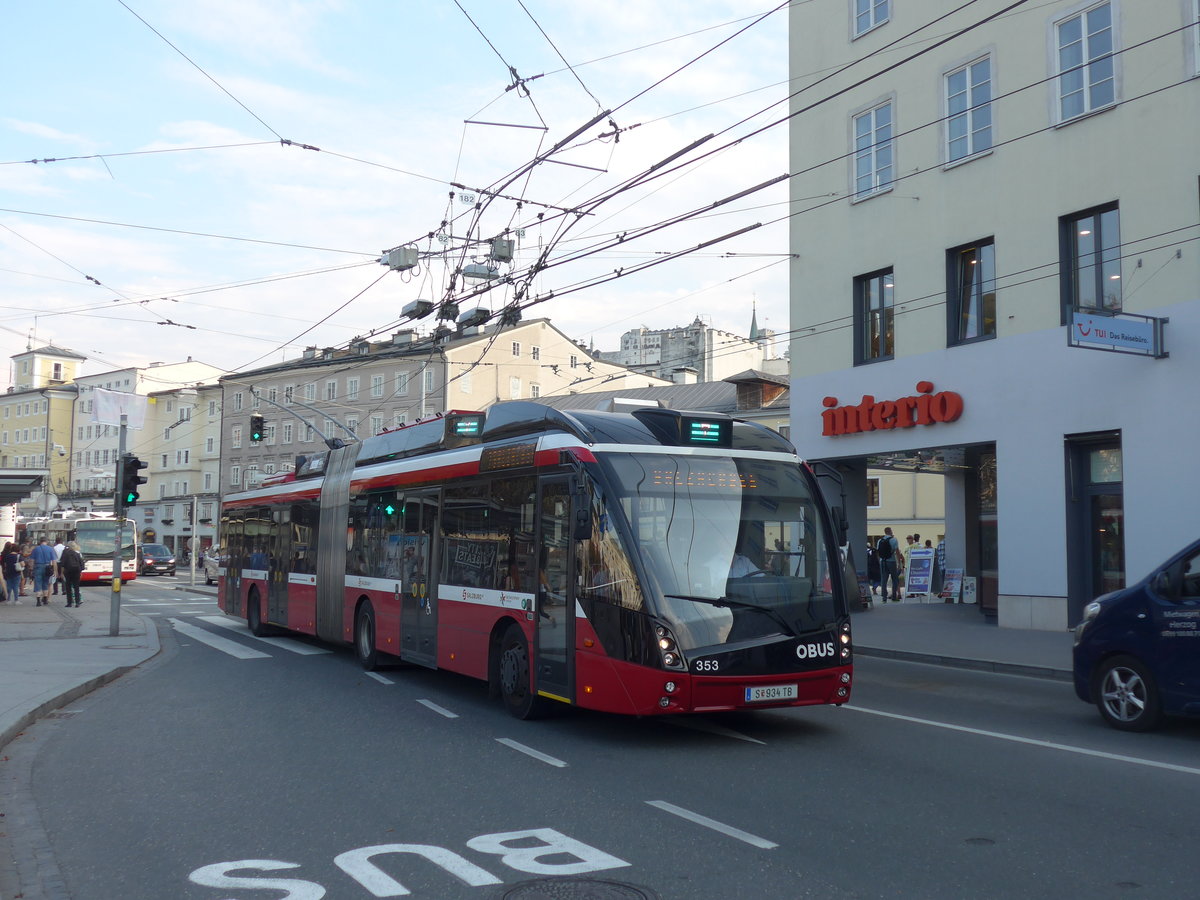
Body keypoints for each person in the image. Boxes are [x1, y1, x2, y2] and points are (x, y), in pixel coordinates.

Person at [31, 537, 58, 607]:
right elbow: (54, 561)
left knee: (38, 583)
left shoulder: (36, 549)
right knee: (45, 583)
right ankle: (45, 599)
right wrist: (55, 571)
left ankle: (38, 601)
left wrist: (31, 569)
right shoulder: (50, 549)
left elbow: (32, 560)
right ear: (47, 541)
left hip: (38, 567)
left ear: (40, 541)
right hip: (47, 567)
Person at [877, 527, 901, 602]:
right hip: (891, 561)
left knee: (884, 580)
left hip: (882, 561)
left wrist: (880, 561)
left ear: (885, 532)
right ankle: (894, 597)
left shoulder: (880, 540)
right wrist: (899, 562)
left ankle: (884, 598)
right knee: (894, 579)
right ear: (890, 531)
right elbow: (897, 551)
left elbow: (878, 552)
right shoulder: (894, 540)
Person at [59, 541, 85, 608]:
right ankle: (77, 602)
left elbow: (62, 564)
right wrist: (80, 572)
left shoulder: (65, 554)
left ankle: (69, 603)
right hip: (76, 572)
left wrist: (62, 573)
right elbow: (82, 565)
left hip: (68, 572)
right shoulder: (77, 554)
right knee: (76, 587)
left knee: (68, 587)